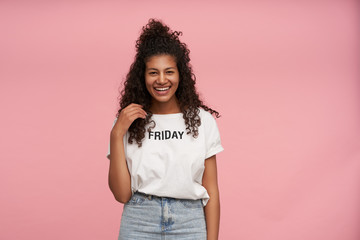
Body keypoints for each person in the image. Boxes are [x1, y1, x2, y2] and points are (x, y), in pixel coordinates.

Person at [106, 18, 224, 240]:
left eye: (169, 71)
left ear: (180, 74)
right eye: (153, 72)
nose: (161, 80)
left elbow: (212, 191)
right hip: (139, 219)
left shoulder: (202, 121)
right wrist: (117, 133)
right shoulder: (125, 122)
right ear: (143, 76)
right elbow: (121, 194)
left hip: (190, 220)